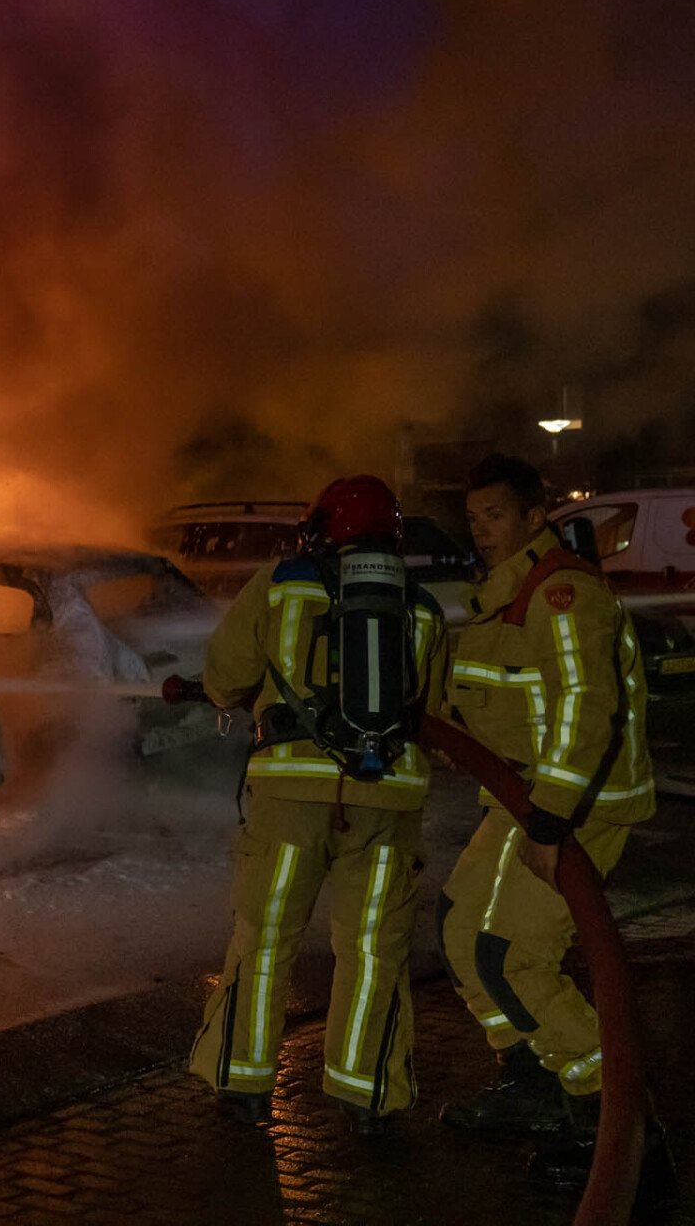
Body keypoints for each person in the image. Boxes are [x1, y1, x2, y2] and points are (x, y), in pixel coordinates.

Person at [186, 475, 449, 1132]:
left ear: (321, 529)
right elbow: (436, 710)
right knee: (373, 952)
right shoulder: (421, 607)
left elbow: (223, 677)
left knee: (265, 940)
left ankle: (242, 1083)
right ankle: (367, 1096)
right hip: (388, 802)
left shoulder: (280, 584)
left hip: (289, 801)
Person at [436, 454, 656, 1179]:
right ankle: (531, 1082)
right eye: (473, 518)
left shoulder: (561, 593)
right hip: (522, 801)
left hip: (572, 806)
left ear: (535, 518)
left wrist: (552, 820)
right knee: (461, 932)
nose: (481, 530)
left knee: (512, 957)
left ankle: (614, 1119)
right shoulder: (502, 595)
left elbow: (585, 707)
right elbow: (493, 700)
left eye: (495, 515)